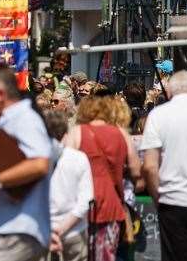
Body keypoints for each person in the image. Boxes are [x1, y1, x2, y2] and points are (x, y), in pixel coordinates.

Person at [0, 63, 52, 261]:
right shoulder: (10, 119)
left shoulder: (24, 118)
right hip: (9, 225)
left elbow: (40, 162)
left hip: (19, 228)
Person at [63, 94, 141, 261]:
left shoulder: (77, 132)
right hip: (111, 204)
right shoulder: (121, 133)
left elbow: (65, 168)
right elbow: (136, 170)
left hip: (79, 206)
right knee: (106, 255)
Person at [140, 70, 187, 261]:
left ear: (168, 92)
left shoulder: (158, 116)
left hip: (173, 201)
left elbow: (150, 167)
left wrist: (158, 198)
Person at [42, 110, 93, 261]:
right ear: (65, 133)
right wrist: (61, 229)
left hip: (46, 232)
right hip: (73, 232)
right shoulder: (78, 158)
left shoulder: (34, 159)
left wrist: (54, 231)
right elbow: (86, 201)